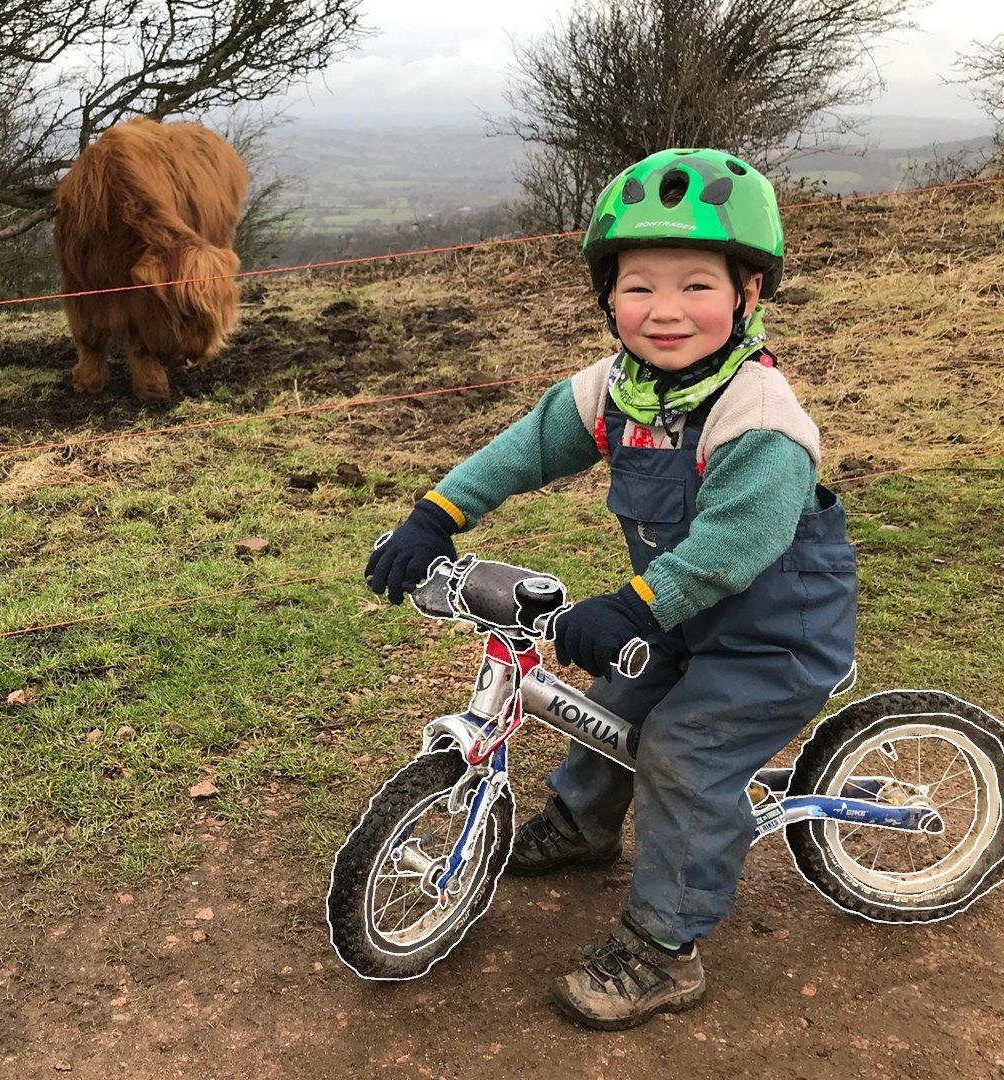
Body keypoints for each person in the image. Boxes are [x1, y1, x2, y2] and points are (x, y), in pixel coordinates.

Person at [364, 149, 856, 1029]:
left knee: (684, 754)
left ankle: (666, 949)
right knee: (614, 703)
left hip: (773, 632)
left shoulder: (760, 416)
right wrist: (435, 515)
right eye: (638, 287)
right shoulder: (615, 391)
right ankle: (585, 828)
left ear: (747, 295)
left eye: (697, 284)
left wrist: (632, 604)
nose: (665, 311)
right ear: (608, 298)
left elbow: (731, 548)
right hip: (682, 616)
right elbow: (525, 448)